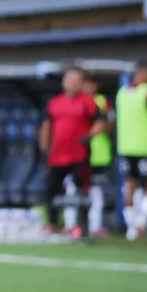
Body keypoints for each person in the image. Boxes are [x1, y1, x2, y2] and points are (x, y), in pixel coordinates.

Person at [38, 68, 104, 238]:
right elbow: (46, 125)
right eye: (70, 80)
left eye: (77, 81)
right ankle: (51, 224)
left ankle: (82, 226)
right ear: (64, 82)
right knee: (52, 190)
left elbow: (100, 123)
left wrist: (89, 136)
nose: (73, 84)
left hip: (79, 154)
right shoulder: (55, 103)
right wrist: (44, 146)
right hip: (57, 154)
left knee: (82, 191)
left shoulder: (88, 102)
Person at [115, 61, 147, 240]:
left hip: (126, 147)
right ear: (146, 73)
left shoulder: (122, 93)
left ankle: (131, 229)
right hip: (145, 146)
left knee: (130, 185)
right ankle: (141, 221)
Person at [83, 76, 114, 238]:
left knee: (96, 191)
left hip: (98, 153)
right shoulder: (74, 101)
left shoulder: (103, 103)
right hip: (77, 153)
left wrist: (97, 128)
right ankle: (71, 225)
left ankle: (95, 226)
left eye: (91, 83)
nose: (88, 86)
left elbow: (111, 124)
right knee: (74, 189)